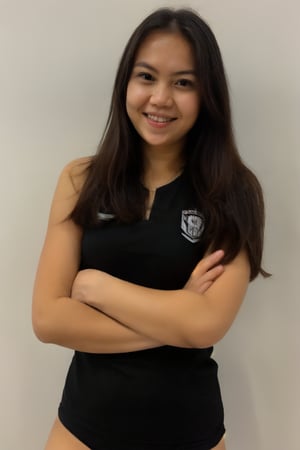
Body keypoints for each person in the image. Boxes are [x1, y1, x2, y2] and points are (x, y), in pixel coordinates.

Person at [32, 7, 269, 450]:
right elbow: (48, 319)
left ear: (207, 94)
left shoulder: (234, 191)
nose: (160, 98)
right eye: (146, 77)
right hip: (83, 429)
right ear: (127, 82)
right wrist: (176, 312)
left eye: (183, 83)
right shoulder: (79, 180)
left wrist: (95, 287)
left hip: (190, 430)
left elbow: (206, 325)